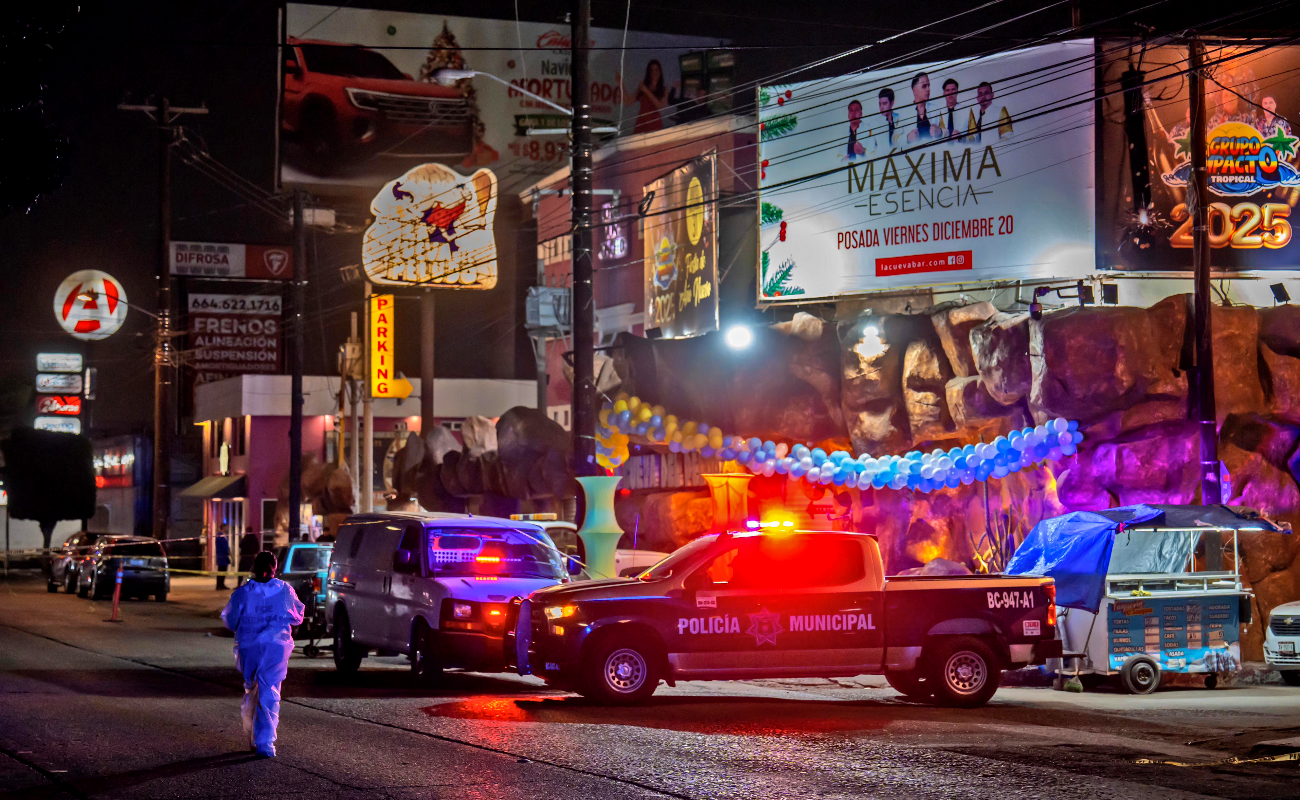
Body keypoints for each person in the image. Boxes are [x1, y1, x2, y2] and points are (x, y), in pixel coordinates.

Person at [221, 551, 304, 758]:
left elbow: (230, 621)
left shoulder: (243, 593)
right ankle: (265, 743)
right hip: (276, 648)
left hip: (249, 649)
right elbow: (298, 617)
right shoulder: (285, 590)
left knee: (252, 689)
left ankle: (255, 737)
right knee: (270, 691)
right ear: (275, 567)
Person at [626, 59, 668, 134]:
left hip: (654, 125)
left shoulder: (664, 89)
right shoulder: (643, 86)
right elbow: (629, 102)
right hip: (641, 123)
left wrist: (647, 91)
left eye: (656, 70)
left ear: (660, 72)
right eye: (651, 70)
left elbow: (660, 106)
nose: (654, 72)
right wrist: (621, 83)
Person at [905, 72, 942, 143]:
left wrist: (939, 132)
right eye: (924, 86)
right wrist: (907, 138)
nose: (928, 89)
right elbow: (894, 139)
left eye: (929, 85)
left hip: (935, 153)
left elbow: (946, 132)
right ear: (914, 90)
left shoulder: (935, 109)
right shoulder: (905, 112)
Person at [867, 87, 899, 152]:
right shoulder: (874, 124)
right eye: (880, 104)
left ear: (892, 103)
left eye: (884, 103)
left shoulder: (900, 118)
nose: (881, 107)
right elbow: (870, 149)